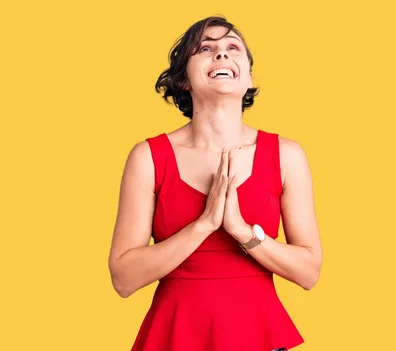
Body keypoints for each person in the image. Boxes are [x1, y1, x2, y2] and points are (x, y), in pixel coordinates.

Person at [108, 15, 323, 351]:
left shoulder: (287, 155)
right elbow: (123, 279)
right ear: (183, 80)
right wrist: (205, 224)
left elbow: (309, 273)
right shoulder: (148, 157)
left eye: (232, 47)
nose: (221, 55)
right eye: (205, 49)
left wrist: (240, 231)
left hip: (261, 335)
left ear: (249, 76)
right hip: (174, 336)